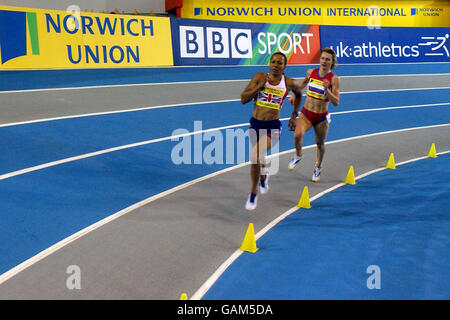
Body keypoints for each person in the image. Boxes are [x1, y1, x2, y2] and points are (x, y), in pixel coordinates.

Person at [241, 52, 302, 210]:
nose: (276, 65)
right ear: (269, 64)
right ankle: (263, 177)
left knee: (254, 156)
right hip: (255, 124)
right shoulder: (259, 77)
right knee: (258, 158)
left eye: (279, 63)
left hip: (272, 127)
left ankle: (253, 193)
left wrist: (294, 115)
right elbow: (243, 99)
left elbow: (299, 94)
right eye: (273, 62)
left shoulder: (288, 83)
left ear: (284, 67)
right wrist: (257, 88)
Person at [288, 48, 340, 182]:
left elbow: (336, 102)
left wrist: (327, 90)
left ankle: (318, 166)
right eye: (322, 58)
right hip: (307, 113)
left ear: (332, 62)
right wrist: (295, 93)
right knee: (297, 135)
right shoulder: (311, 72)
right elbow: (304, 83)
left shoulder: (334, 79)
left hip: (321, 117)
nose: (324, 61)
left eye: (327, 59)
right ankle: (298, 155)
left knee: (320, 143)